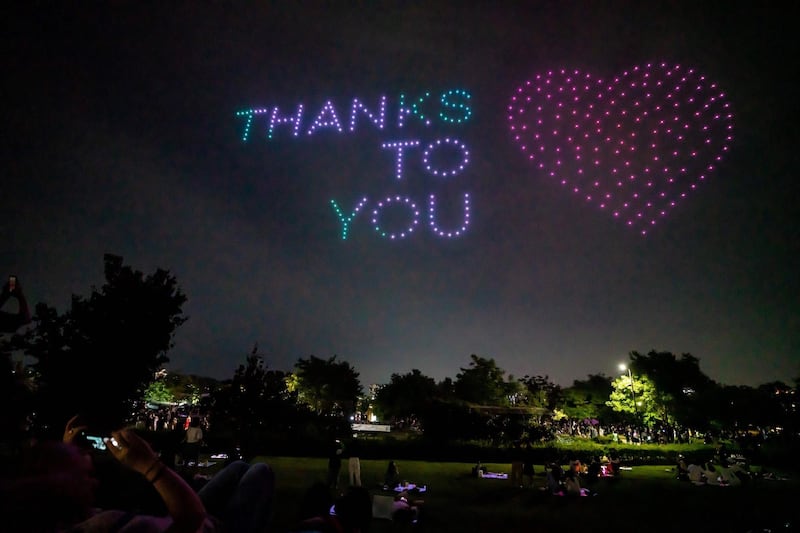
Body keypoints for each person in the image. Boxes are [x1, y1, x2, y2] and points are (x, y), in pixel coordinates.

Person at [2, 415, 274, 533]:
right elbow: (191, 518)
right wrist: (150, 465)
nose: (94, 480)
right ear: (59, 489)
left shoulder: (66, 519)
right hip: (202, 522)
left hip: (181, 512)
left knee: (238, 468)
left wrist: (66, 452)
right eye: (83, 475)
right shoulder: (106, 526)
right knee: (259, 472)